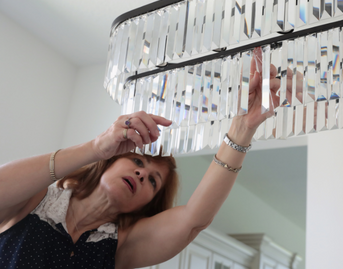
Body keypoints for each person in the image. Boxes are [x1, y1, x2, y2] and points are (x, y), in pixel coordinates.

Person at [0, 48, 281, 269]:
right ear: (110, 161)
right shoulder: (37, 201)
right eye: (138, 162)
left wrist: (243, 128)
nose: (142, 175)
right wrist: (98, 147)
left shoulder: (121, 246)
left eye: (153, 181)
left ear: (149, 203)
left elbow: (193, 220)